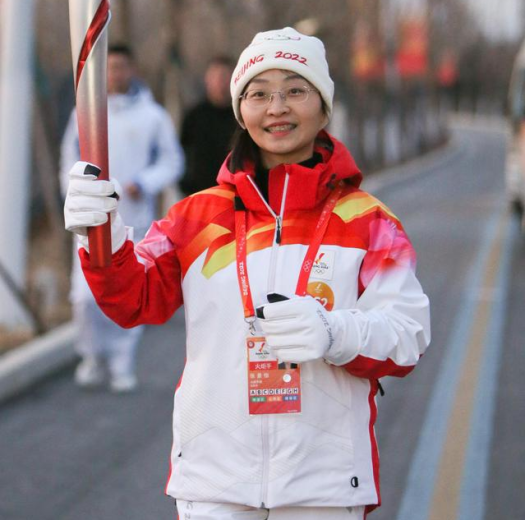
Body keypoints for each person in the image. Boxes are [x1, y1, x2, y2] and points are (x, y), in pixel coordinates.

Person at [64, 27, 430, 517]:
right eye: (259, 93)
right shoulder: (196, 217)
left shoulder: (368, 222)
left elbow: (407, 335)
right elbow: (133, 297)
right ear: (241, 110)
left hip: (322, 485)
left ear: (323, 107)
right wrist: (100, 234)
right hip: (214, 483)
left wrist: (333, 332)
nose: (276, 107)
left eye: (295, 90)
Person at [60, 43, 184, 392]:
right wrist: (74, 200)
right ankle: (92, 355)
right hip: (89, 221)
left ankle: (121, 362)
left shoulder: (152, 116)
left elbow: (172, 162)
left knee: (129, 295)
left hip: (133, 219)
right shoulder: (83, 113)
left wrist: (143, 183)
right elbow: (68, 158)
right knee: (84, 298)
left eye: (121, 67)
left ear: (132, 70)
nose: (114, 74)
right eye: (109, 68)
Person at [179, 55, 237, 195]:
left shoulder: (241, 116)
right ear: (207, 79)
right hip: (199, 193)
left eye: (224, 77)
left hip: (234, 193)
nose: (220, 83)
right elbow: (182, 153)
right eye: (215, 77)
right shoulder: (194, 115)